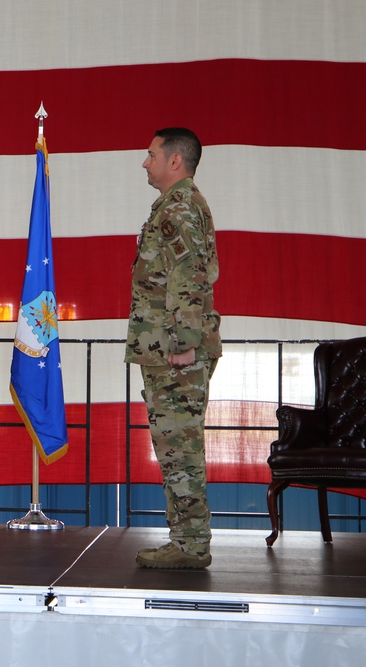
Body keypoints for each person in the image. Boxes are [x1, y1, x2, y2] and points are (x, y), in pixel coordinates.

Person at [126, 127, 221, 570]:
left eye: (151, 155)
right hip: (166, 348)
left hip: (175, 352)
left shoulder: (179, 207)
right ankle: (185, 539)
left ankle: (191, 545)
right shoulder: (177, 205)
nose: (145, 162)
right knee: (173, 444)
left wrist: (184, 343)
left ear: (175, 161)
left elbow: (189, 275)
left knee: (179, 446)